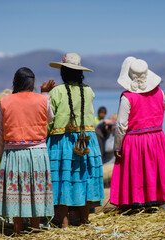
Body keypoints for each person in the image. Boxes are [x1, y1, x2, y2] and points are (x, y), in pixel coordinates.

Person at [110, 57, 165, 208]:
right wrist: (159, 96)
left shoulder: (127, 97)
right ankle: (154, 203)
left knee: (137, 173)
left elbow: (121, 125)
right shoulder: (159, 92)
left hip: (135, 141)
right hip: (156, 139)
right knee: (154, 170)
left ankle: (136, 204)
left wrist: (117, 146)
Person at [0, 67, 55, 234]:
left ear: (16, 82)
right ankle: (35, 229)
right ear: (32, 82)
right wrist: (45, 94)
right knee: (35, 190)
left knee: (16, 192)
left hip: (13, 153)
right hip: (37, 152)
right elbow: (50, 118)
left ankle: (18, 230)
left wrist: (0, 153)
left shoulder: (5, 101)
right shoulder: (43, 99)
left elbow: (0, 132)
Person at [46, 53, 104, 228]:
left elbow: (49, 121)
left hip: (61, 143)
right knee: (84, 178)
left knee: (62, 179)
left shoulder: (55, 92)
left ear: (63, 72)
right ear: (80, 73)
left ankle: (63, 223)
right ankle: (85, 220)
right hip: (86, 140)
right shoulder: (88, 90)